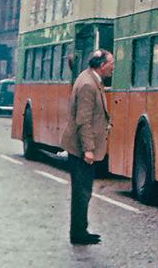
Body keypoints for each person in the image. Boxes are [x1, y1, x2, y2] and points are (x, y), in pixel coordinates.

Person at [60, 50, 114, 245]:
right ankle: (78, 233)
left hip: (81, 147)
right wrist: (88, 149)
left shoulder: (89, 79)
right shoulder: (88, 85)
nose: (113, 66)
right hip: (81, 148)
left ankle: (80, 230)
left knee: (83, 191)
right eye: (111, 63)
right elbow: (83, 121)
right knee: (82, 191)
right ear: (101, 65)